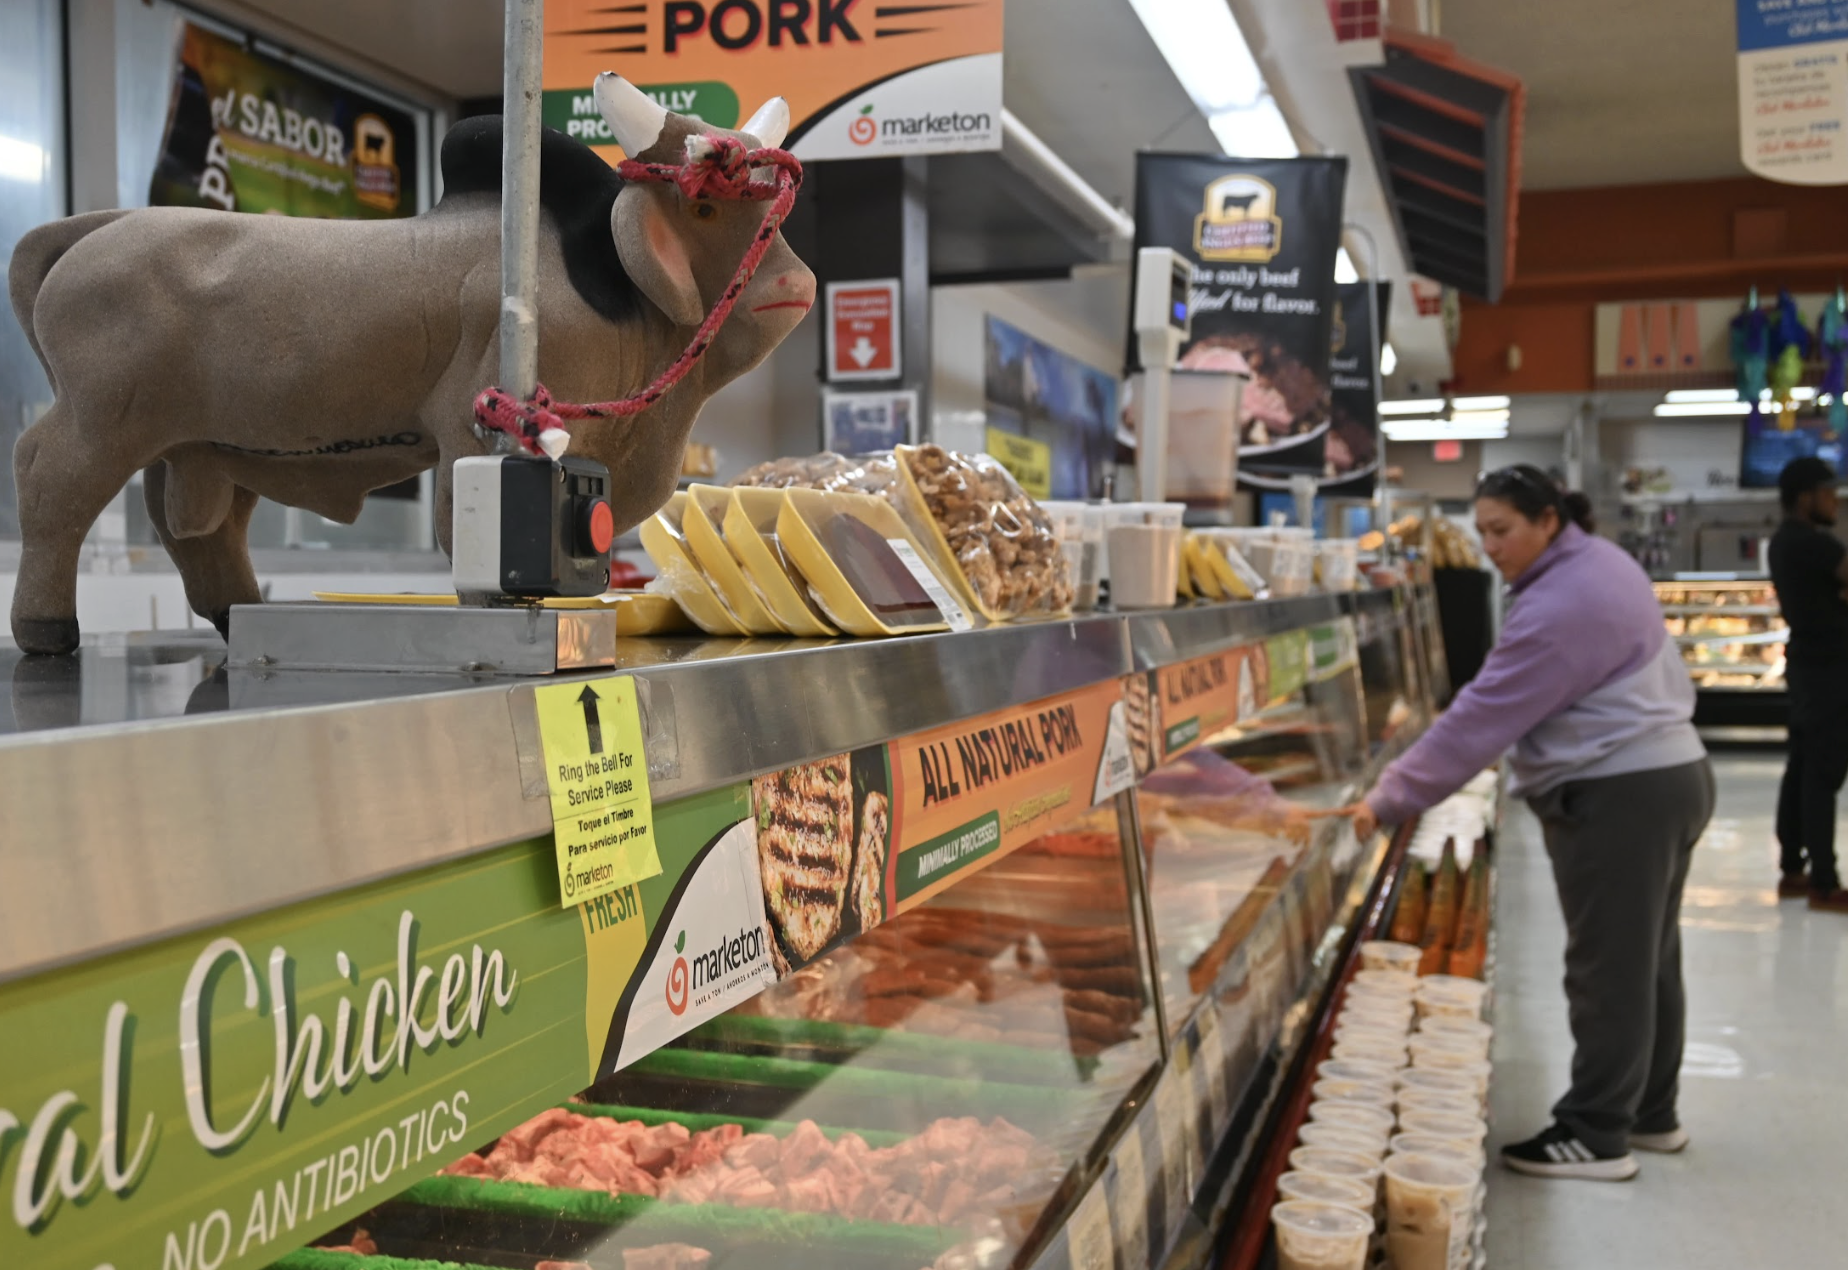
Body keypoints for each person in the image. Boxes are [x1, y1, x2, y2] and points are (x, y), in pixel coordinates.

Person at [1339, 465, 1711, 1181]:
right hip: (1670, 775)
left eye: (1502, 529)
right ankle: (1649, 1114)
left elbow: (1482, 718)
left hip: (1620, 792)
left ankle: (1596, 1134)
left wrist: (1387, 798)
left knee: (1607, 969)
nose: (1489, 546)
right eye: (1480, 531)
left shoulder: (1562, 603)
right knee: (1646, 960)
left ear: (1548, 520)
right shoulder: (1596, 563)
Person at [1766, 456, 1848, 910]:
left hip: (1805, 666)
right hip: (1829, 671)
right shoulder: (1815, 544)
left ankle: (1792, 868)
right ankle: (1824, 882)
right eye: (1828, 493)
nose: (1835, 502)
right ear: (1805, 498)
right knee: (1822, 771)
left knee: (1801, 766)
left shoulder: (1782, 543)